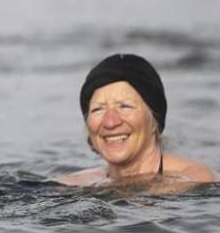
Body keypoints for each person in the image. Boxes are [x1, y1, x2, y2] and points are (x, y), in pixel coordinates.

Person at [59, 53, 215, 187]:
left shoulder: (198, 179)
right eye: (97, 109)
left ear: (154, 121)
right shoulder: (76, 183)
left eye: (125, 106)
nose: (110, 122)